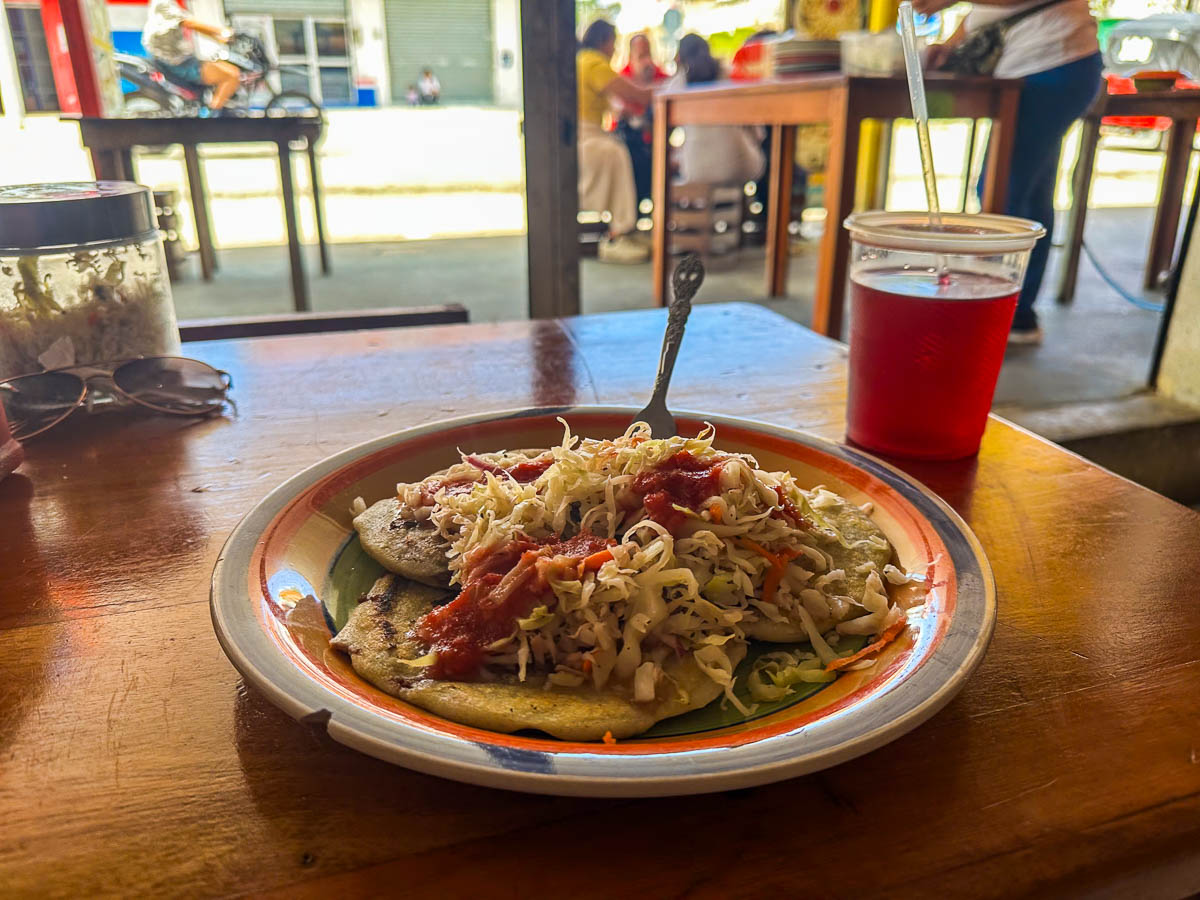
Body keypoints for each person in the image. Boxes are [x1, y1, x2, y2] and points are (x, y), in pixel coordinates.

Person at [921, 0, 1102, 345]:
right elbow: (987, 14)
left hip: (1054, 59)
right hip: (1039, 65)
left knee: (1002, 191)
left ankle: (995, 312)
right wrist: (950, 45)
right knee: (1027, 194)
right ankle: (1015, 314)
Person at [577, 19, 656, 263]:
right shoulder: (593, 63)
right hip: (586, 137)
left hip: (588, 133)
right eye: (614, 43)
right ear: (605, 41)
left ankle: (627, 229)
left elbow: (617, 105)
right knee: (619, 153)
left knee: (621, 149)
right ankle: (619, 232)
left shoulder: (583, 61)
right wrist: (669, 89)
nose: (614, 50)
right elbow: (636, 95)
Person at [673, 34, 765, 187]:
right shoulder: (729, 75)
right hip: (737, 163)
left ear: (680, 57)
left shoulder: (678, 83)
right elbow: (754, 126)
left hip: (695, 168)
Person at [141, 0, 239, 112]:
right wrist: (221, 32)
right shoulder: (163, 3)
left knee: (220, 66)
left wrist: (217, 37)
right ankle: (212, 115)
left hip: (174, 59)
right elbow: (188, 23)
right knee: (232, 75)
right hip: (177, 62)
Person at [616, 34, 668, 208]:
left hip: (658, 143)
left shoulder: (660, 75)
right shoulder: (621, 78)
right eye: (641, 56)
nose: (646, 61)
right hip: (631, 145)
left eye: (648, 55)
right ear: (631, 57)